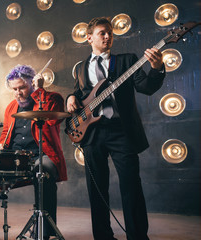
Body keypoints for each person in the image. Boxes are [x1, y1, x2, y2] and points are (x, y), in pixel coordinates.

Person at [66, 17, 165, 240]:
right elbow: (79, 95)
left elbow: (147, 87)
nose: (108, 36)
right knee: (97, 190)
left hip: (122, 131)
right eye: (102, 33)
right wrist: (70, 97)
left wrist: (157, 67)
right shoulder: (81, 68)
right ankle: (102, 236)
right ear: (89, 37)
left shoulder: (127, 60)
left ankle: (138, 236)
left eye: (110, 33)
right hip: (92, 134)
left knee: (131, 187)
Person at [0, 64, 68, 239]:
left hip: (41, 155)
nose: (18, 93)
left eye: (22, 87)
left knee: (42, 172)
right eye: (14, 89)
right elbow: (6, 131)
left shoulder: (53, 98)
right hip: (16, 157)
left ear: (33, 84)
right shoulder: (11, 107)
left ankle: (43, 231)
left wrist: (40, 91)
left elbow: (51, 121)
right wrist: (1, 145)